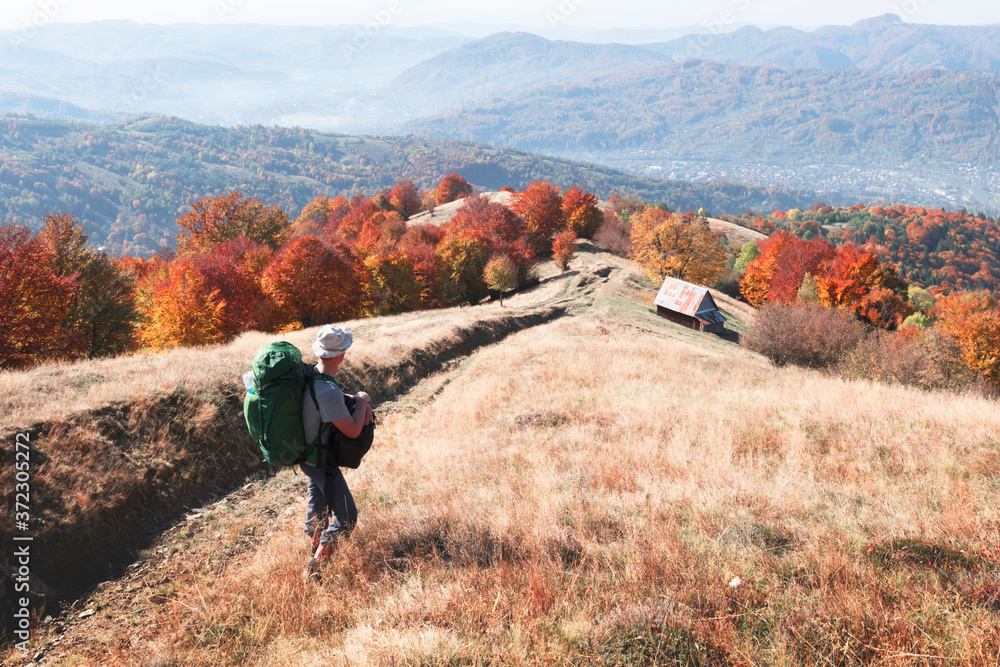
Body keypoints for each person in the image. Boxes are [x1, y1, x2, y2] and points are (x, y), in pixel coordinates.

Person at [301, 324, 373, 580]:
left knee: (318, 507)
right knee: (347, 516)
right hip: (321, 460)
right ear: (341, 355)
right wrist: (362, 401)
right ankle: (314, 569)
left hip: (309, 456)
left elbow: (329, 397)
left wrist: (354, 398)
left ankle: (313, 549)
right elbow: (353, 431)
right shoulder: (327, 391)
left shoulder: (311, 375)